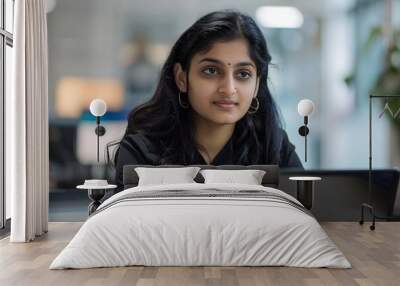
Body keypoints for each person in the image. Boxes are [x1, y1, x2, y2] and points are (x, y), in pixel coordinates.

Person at [113, 10, 304, 190]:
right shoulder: (141, 151)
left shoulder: (273, 146)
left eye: (243, 74)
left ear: (256, 85)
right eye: (211, 71)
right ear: (182, 78)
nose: (228, 89)